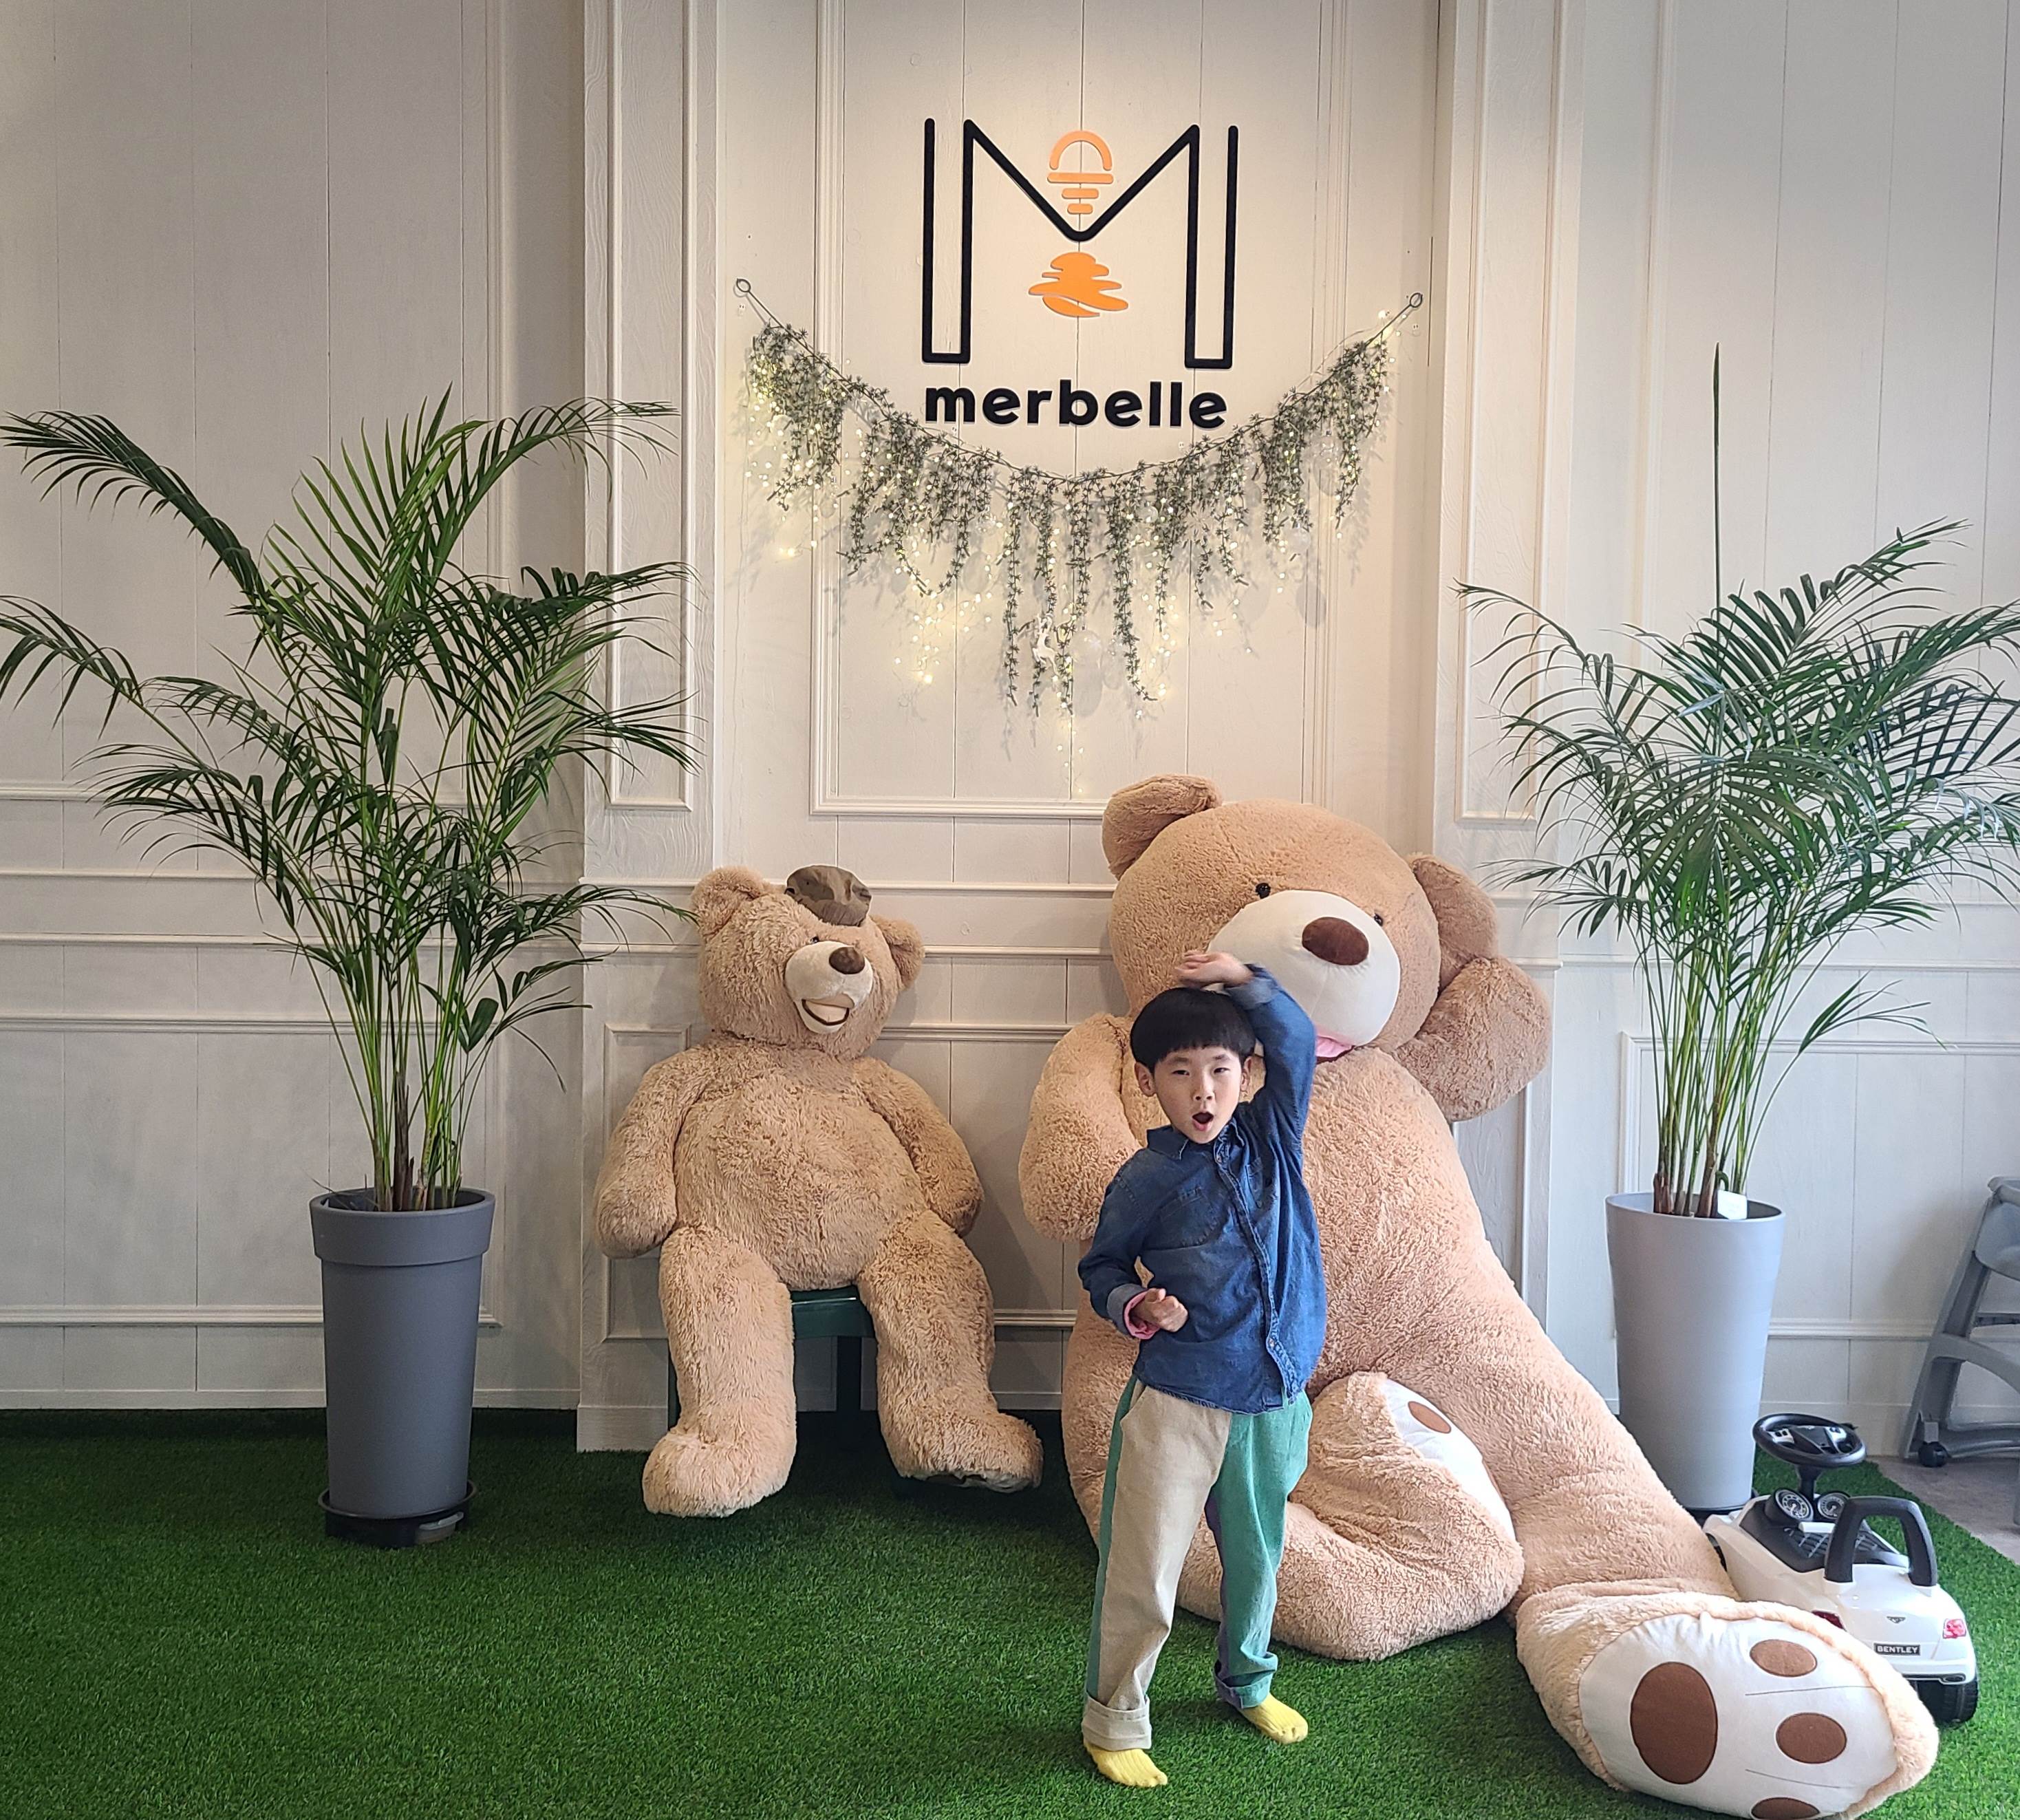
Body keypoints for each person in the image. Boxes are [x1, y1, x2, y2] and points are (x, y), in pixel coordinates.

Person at [1075, 950, 1325, 1788]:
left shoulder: (1272, 1139)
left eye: (1219, 1069)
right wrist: (1135, 1305)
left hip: (1273, 1397)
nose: (1203, 1090)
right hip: (1178, 1402)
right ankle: (1114, 1720)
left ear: (1244, 1075)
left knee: (1257, 1559)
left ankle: (1247, 1680)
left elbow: (1294, 1039)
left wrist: (1245, 980)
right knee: (1144, 1567)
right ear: (1148, 1082)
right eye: (1180, 1073)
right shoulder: (1145, 1177)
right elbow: (1101, 1267)